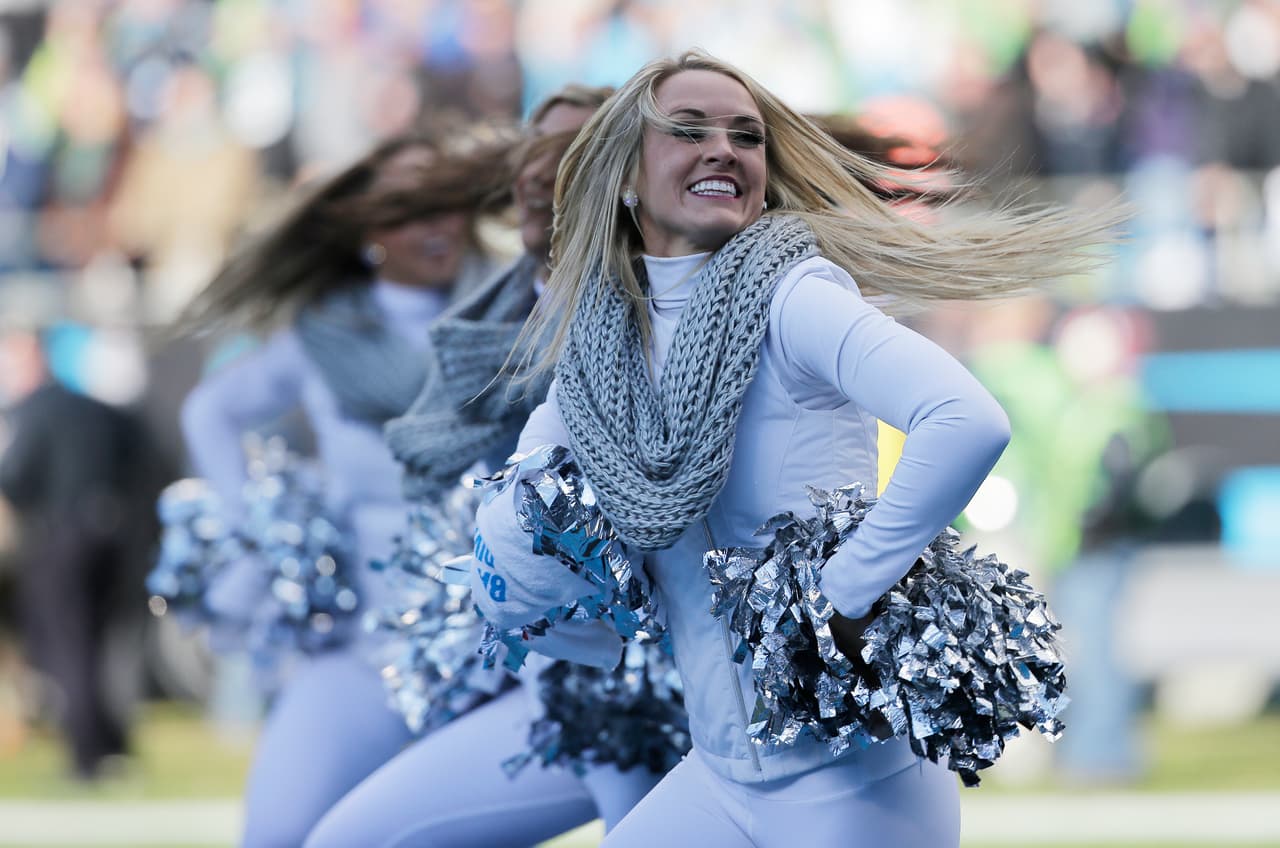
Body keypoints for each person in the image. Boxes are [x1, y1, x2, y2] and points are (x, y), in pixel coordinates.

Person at [471, 50, 1118, 847]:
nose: (724, 149)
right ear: (627, 175)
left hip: (850, 783)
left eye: (746, 136)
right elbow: (525, 499)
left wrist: (845, 590)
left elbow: (964, 419)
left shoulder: (792, 295)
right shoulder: (604, 338)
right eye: (688, 130)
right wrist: (529, 589)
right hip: (719, 775)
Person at [306, 84, 668, 848]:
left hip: (640, 677)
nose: (537, 171)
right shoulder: (488, 320)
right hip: (531, 668)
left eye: (567, 151)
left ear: (620, 180)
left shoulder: (655, 307)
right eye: (531, 149)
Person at [177, 130, 493, 848]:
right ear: (368, 232)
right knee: (277, 834)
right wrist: (259, 524)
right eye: (409, 211)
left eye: (447, 204)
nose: (436, 227)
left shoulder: (515, 318)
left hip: (492, 658)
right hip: (361, 649)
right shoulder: (322, 334)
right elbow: (210, 412)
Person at [0, 329, 151, 780]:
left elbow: (16, 478)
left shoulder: (33, 411)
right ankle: (112, 743)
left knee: (67, 646)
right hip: (111, 532)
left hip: (61, 536)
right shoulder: (97, 410)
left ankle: (88, 755)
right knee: (100, 643)